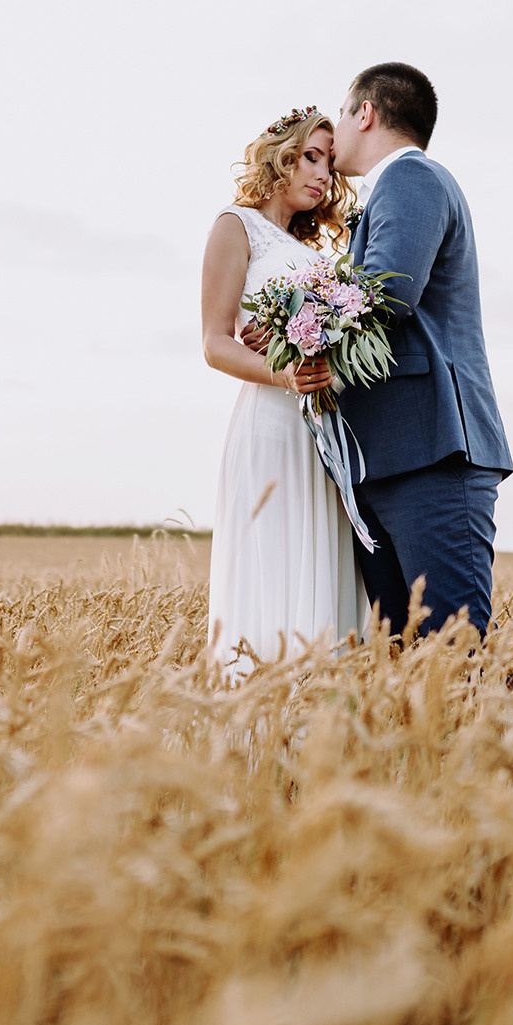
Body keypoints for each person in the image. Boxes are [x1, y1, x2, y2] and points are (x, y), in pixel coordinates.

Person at [323, 63, 512, 641]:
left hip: (433, 451)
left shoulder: (411, 179)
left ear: (366, 112)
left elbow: (390, 292)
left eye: (341, 112)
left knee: (458, 650)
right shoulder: (391, 190)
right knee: (409, 662)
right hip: (389, 455)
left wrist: (298, 327)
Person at [199, 108, 369, 667]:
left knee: (322, 576)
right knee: (274, 570)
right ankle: (258, 726)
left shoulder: (320, 257)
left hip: (322, 433)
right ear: (282, 155)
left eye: (330, 164)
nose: (322, 174)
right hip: (271, 429)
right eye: (311, 157)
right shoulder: (236, 225)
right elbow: (215, 342)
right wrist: (283, 371)